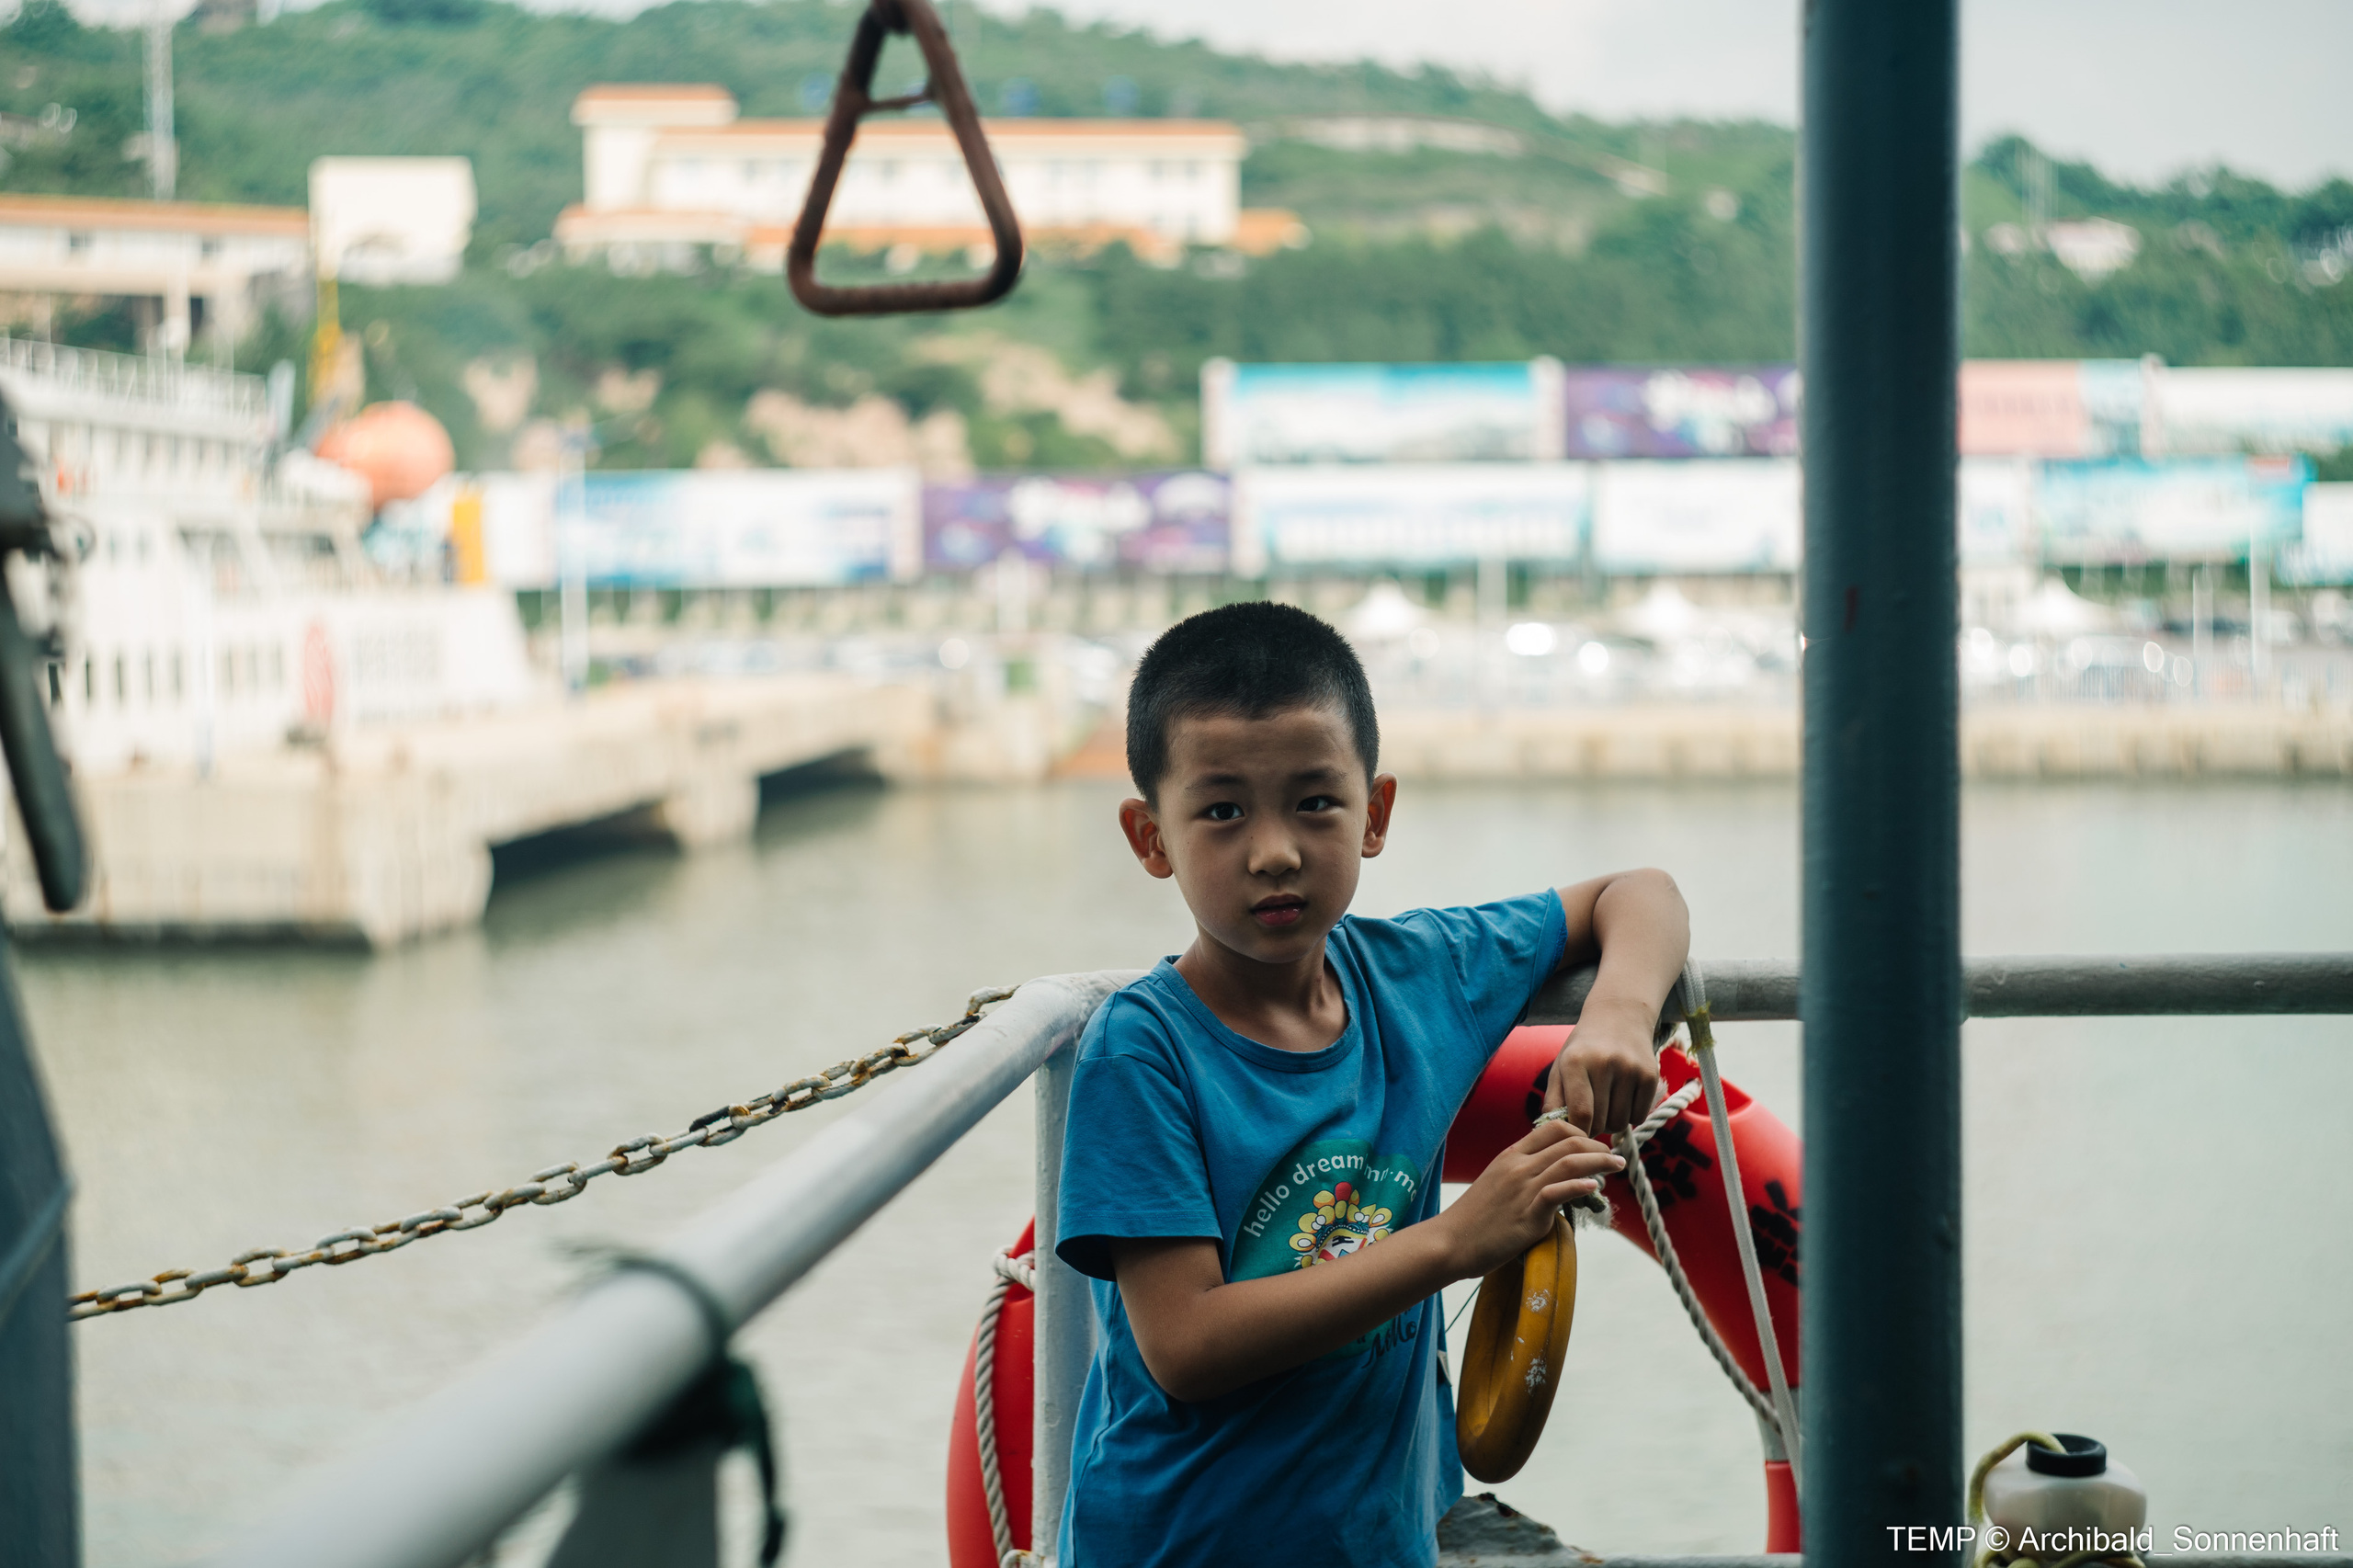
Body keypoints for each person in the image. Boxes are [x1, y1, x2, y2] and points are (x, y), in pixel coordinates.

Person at [1051, 601, 1692, 1567]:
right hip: (1177, 1544)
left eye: (1315, 802)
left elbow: (1636, 891)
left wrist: (1614, 1017)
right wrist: (1454, 1239)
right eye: (1221, 810)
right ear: (1151, 837)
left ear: (1376, 812)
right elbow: (1184, 1343)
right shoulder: (1141, 1051)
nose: (1274, 849)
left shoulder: (1420, 976)